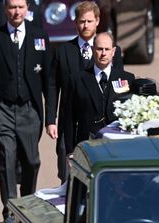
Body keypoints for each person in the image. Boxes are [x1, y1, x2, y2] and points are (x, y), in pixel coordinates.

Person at [0, 0, 57, 221]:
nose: (16, 11)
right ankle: (11, 213)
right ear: (5, 9)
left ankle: (27, 204)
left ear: (27, 9)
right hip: (2, 109)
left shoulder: (39, 37)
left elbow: (49, 82)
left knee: (32, 161)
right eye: (12, 7)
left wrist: (50, 118)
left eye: (20, 7)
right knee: (6, 161)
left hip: (29, 110)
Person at [52, 1, 124, 183]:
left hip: (103, 125)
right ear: (76, 22)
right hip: (70, 121)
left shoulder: (111, 52)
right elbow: (53, 86)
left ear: (97, 21)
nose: (85, 25)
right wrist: (50, 120)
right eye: (82, 21)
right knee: (68, 172)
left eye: (89, 21)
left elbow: (120, 87)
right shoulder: (63, 51)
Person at [64, 32, 135, 155]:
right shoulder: (77, 79)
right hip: (87, 146)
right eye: (99, 49)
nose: (103, 53)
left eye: (107, 49)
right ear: (92, 49)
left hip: (118, 147)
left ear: (113, 52)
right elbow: (69, 119)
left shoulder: (127, 79)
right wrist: (70, 151)